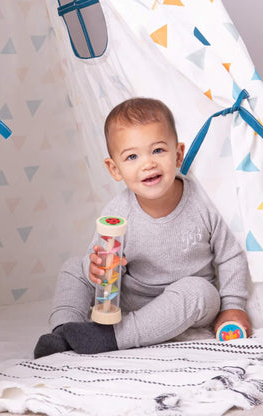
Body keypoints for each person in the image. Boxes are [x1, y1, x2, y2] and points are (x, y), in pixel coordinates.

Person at [34, 97, 251, 358]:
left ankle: (112, 338)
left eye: (158, 150)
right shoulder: (118, 212)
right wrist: (97, 270)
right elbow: (101, 265)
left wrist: (232, 306)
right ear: (115, 169)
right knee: (73, 268)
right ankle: (64, 332)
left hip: (184, 306)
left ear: (178, 154)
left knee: (200, 291)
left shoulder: (202, 205)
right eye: (132, 156)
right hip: (128, 302)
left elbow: (230, 257)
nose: (148, 163)